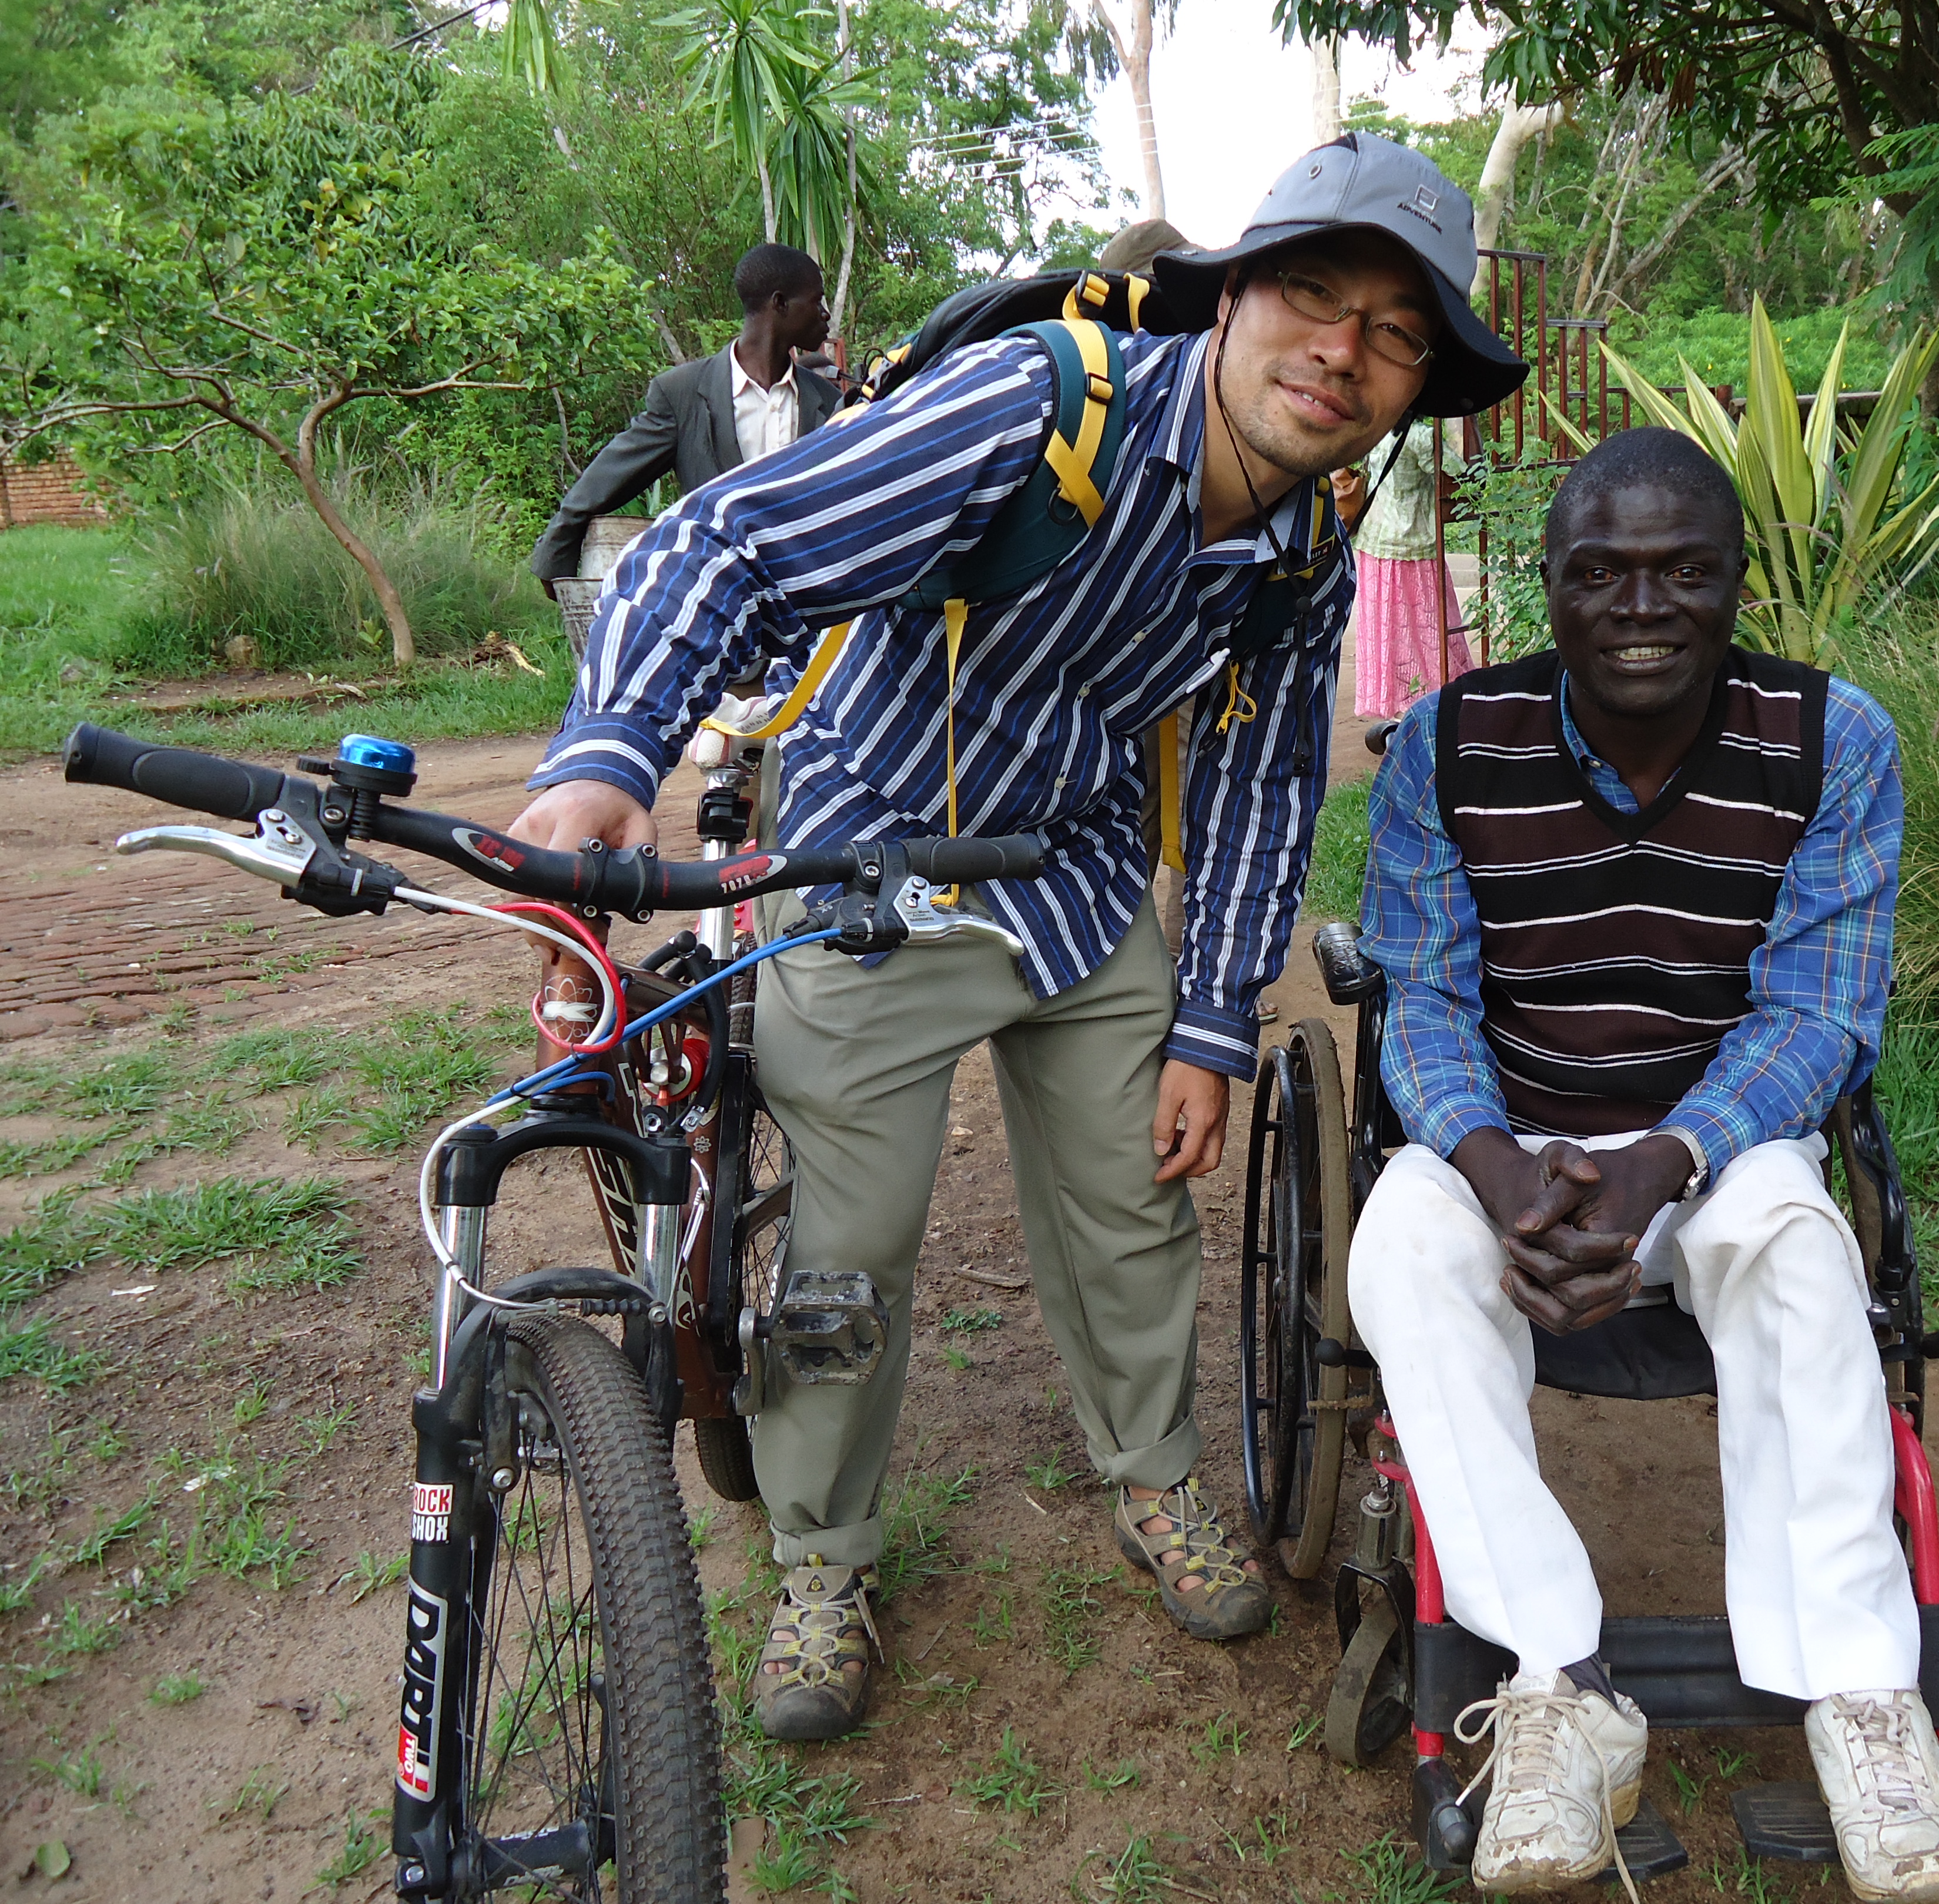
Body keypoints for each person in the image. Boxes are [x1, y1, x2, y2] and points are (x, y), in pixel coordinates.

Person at [505, 132, 1528, 1742]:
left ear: (1414, 386)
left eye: (1395, 334)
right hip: (874, 853)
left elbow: (1262, 784)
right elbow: (737, 542)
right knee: (849, 1242)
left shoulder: (1309, 545)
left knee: (1136, 1206)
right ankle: (823, 1557)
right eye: (1314, 296)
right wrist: (609, 753)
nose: (1342, 351)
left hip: (1077, 872)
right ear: (1231, 297)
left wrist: (1213, 1020)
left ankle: (1155, 1476)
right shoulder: (1037, 407)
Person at [1348, 428, 1939, 1899]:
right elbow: (1424, 997)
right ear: (1551, 588)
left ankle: (1863, 1701)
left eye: (1683, 572)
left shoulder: (1832, 741)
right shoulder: (1449, 743)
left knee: (1797, 1241)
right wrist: (1498, 1169)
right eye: (1601, 574)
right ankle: (1557, 1685)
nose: (1642, 606)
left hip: (1715, 1141)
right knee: (1401, 1240)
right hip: (1509, 1134)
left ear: (1737, 584)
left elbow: (1818, 1013)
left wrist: (1667, 1159)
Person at [527, 243, 843, 588]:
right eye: (817, 301)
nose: (825, 314)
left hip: (807, 600)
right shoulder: (683, 394)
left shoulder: (830, 402)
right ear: (779, 304)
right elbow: (611, 476)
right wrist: (557, 552)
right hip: (716, 596)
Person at [1349, 417, 1471, 716]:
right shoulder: (1421, 437)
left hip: (1374, 540)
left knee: (1385, 625)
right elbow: (1459, 472)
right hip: (1414, 543)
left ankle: (1389, 698)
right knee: (1428, 622)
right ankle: (1436, 691)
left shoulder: (1376, 430)